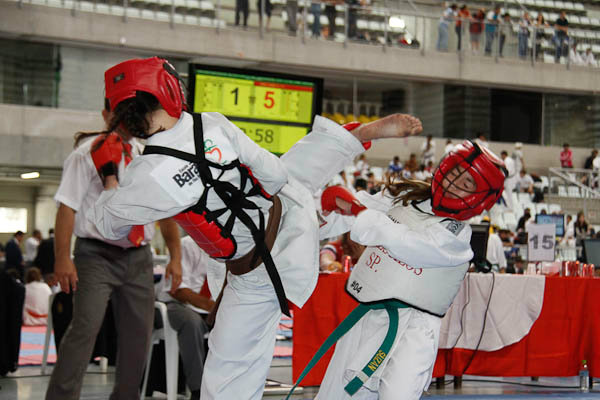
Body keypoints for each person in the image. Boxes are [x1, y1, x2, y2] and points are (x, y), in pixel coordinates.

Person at [86, 56, 424, 400]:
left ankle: (330, 211)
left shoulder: (147, 176)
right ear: (172, 89)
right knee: (292, 172)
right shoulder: (212, 124)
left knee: (228, 375)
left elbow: (106, 225)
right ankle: (343, 175)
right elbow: (274, 175)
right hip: (286, 214)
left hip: (257, 273)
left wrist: (110, 176)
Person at [303, 140, 506, 400]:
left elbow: (409, 245)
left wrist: (359, 212)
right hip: (370, 312)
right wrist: (325, 214)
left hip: (415, 327)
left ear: (478, 197)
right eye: (455, 173)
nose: (454, 184)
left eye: (467, 183)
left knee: (396, 395)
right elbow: (350, 212)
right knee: (338, 393)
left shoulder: (457, 235)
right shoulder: (402, 196)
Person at [45, 98, 183, 400]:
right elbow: (67, 206)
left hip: (139, 256)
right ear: (106, 114)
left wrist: (176, 256)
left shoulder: (146, 155)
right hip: (95, 255)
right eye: (120, 111)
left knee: (138, 335)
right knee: (85, 329)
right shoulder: (86, 153)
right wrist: (62, 258)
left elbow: (165, 211)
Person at [156, 236, 216, 400]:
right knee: (191, 322)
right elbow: (177, 290)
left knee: (235, 323)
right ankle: (198, 390)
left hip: (208, 307)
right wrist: (211, 307)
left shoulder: (226, 247)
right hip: (176, 303)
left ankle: (227, 385)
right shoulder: (186, 245)